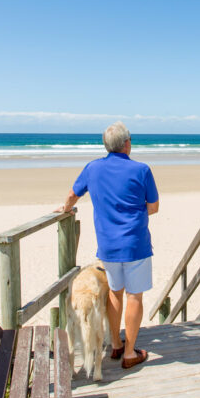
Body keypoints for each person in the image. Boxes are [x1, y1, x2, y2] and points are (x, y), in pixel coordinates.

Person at [57, 121, 158, 369]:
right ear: (126, 144)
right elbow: (154, 207)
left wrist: (66, 209)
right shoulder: (141, 170)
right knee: (135, 296)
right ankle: (130, 352)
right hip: (135, 243)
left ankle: (115, 344)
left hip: (109, 245)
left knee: (115, 293)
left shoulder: (93, 168)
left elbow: (72, 195)